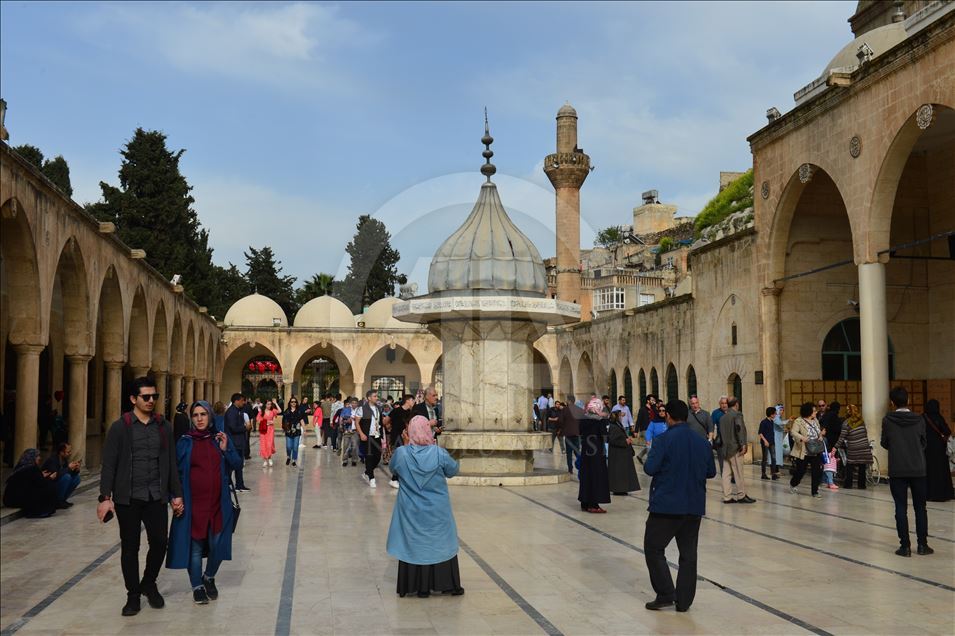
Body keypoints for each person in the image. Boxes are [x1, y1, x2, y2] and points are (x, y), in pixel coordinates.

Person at [97, 376, 183, 617]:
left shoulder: (164, 426)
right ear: (133, 399)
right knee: (130, 547)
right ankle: (132, 595)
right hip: (129, 498)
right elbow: (109, 465)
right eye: (146, 397)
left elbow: (171, 464)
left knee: (159, 542)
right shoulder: (120, 427)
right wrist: (105, 497)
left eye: (154, 396)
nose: (151, 401)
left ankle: (149, 582)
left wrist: (177, 494)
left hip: (156, 495)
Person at [643, 399, 717, 613]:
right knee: (688, 554)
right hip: (693, 505)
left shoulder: (663, 440)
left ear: (668, 416)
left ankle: (666, 592)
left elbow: (650, 468)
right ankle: (684, 601)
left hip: (666, 505)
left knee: (653, 547)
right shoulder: (702, 442)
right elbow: (711, 472)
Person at [166, 401, 242, 604]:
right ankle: (197, 587)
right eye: (195, 415)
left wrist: (226, 449)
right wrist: (174, 496)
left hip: (218, 503)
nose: (199, 419)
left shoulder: (219, 439)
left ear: (210, 416)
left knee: (218, 544)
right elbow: (174, 473)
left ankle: (208, 577)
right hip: (193, 504)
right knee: (196, 546)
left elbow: (237, 464)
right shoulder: (185, 441)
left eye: (203, 414)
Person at [387, 416, 463, 598]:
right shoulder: (439, 453)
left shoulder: (402, 454)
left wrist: (405, 446)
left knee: (413, 543)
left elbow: (393, 469)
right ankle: (445, 584)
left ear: (409, 432)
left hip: (411, 510)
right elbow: (453, 470)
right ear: (428, 431)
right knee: (441, 542)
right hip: (437, 510)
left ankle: (417, 587)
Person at [881, 386, 932, 557]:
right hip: (918, 468)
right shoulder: (919, 419)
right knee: (920, 507)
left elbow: (884, 442)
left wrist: (897, 447)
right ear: (908, 400)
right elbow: (924, 442)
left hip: (897, 469)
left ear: (892, 402)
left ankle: (905, 547)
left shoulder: (888, 420)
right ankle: (923, 545)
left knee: (900, 507)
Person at [578, 397, 611, 513]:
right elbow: (605, 435)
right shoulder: (599, 420)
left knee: (586, 475)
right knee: (596, 476)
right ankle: (594, 505)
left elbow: (580, 431)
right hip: (596, 452)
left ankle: (585, 503)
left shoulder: (584, 419)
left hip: (586, 451)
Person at [3, 448, 58, 517]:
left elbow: (31, 482)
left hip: (10, 499)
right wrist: (50, 478)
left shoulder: (22, 466)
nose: (39, 458)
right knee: (49, 486)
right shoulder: (31, 468)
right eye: (37, 456)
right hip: (16, 500)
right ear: (33, 457)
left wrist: (41, 476)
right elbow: (41, 483)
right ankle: (37, 512)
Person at [718, 397, 754, 504]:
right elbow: (739, 429)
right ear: (737, 404)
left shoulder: (722, 418)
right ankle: (741, 495)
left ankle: (727, 496)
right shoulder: (737, 415)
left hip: (725, 449)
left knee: (726, 474)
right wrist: (743, 444)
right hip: (735, 449)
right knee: (738, 473)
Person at [789, 402, 823, 498]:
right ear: (808, 412)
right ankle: (793, 483)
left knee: (816, 471)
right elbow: (793, 432)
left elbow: (818, 431)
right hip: (804, 450)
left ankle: (815, 491)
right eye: (814, 411)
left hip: (815, 449)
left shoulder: (815, 420)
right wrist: (802, 437)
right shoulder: (799, 421)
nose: (816, 412)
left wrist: (820, 435)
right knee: (801, 471)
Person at [834, 404, 872, 489]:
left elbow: (842, 437)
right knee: (862, 466)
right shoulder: (861, 421)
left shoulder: (846, 423)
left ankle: (848, 484)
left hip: (853, 447)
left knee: (849, 465)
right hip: (864, 447)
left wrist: (835, 447)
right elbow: (865, 433)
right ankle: (862, 485)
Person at [922, 399, 954, 502]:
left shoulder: (922, 418)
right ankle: (942, 494)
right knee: (941, 472)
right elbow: (947, 431)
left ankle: (929, 494)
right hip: (940, 450)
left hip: (926, 450)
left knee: (929, 471)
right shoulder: (938, 418)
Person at [354, 390, 383, 487]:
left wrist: (382, 435)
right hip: (367, 436)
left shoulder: (378, 408)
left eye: (376, 396)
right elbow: (357, 422)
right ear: (369, 398)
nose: (376, 398)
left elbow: (380, 422)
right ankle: (371, 478)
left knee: (378, 456)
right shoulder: (362, 409)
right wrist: (361, 434)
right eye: (374, 396)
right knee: (369, 456)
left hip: (377, 436)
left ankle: (367, 472)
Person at [608, 410, 640, 495]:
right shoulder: (614, 426)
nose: (621, 417)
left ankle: (622, 489)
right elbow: (612, 440)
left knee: (622, 472)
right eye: (620, 416)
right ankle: (618, 489)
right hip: (618, 454)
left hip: (621, 453)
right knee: (619, 472)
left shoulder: (617, 425)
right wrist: (625, 441)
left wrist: (627, 440)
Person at [223, 394, 250, 492]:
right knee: (231, 465)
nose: (244, 402)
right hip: (233, 443)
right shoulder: (231, 412)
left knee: (239, 464)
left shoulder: (237, 411)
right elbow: (233, 428)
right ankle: (227, 485)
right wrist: (245, 428)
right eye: (242, 400)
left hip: (238, 443)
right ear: (236, 401)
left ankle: (240, 484)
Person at [42, 441, 82, 507]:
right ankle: (58, 501)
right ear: (61, 452)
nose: (70, 453)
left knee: (76, 478)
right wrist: (69, 468)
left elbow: (68, 472)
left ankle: (62, 500)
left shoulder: (64, 460)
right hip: (49, 486)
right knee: (67, 477)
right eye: (68, 452)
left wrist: (76, 469)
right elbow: (56, 475)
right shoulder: (52, 460)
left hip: (57, 483)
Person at [388, 394, 414, 488]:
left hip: (406, 438)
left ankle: (399, 479)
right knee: (400, 458)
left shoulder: (410, 412)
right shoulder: (396, 410)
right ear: (408, 401)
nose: (413, 402)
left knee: (405, 459)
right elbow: (386, 420)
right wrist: (391, 429)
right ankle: (394, 479)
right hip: (397, 438)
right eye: (412, 400)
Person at [282, 397, 306, 467]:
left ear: (296, 403)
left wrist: (304, 429)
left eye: (295, 402)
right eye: (292, 402)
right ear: (290, 403)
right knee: (289, 447)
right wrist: (284, 428)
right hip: (289, 431)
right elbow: (284, 421)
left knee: (295, 447)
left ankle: (294, 460)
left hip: (297, 431)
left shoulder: (299, 411)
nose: (293, 403)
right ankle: (288, 457)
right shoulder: (287, 411)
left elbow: (302, 420)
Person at [561, 396, 582, 473]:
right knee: (577, 451)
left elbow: (561, 421)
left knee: (569, 453)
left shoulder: (565, 409)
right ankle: (581, 465)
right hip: (576, 433)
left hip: (568, 433)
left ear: (569, 401)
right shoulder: (579, 410)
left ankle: (570, 469)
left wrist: (562, 429)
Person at [758, 407, 779, 480]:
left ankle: (773, 474)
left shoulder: (772, 422)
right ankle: (763, 474)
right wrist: (765, 441)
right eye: (775, 413)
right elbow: (760, 433)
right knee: (765, 458)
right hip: (765, 443)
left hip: (772, 442)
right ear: (771, 414)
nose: (776, 414)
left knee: (774, 458)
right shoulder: (763, 422)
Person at [338, 397, 358, 467]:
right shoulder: (345, 410)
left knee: (354, 446)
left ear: (357, 404)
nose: (354, 404)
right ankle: (345, 460)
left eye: (355, 403)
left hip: (355, 431)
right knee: (346, 446)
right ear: (350, 403)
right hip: (347, 430)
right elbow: (341, 418)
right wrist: (342, 424)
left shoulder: (359, 410)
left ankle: (354, 460)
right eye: (353, 403)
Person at [258, 400, 278, 467]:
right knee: (263, 444)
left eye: (270, 404)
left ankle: (269, 458)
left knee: (269, 444)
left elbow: (280, 411)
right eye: (268, 404)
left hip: (270, 430)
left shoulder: (273, 411)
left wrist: (275, 403)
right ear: (265, 405)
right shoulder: (262, 411)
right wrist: (265, 422)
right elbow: (258, 419)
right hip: (263, 430)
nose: (269, 405)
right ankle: (265, 460)